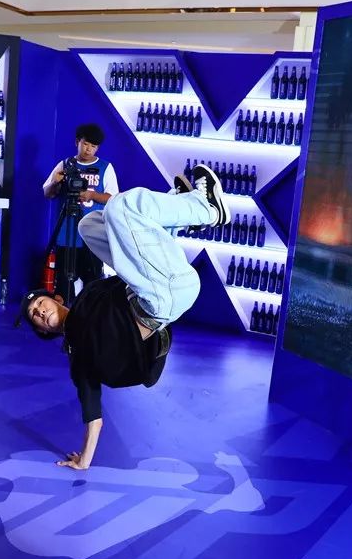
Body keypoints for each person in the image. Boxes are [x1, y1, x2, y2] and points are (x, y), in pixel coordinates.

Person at [21, 163, 228, 470]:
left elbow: (134, 265)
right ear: (44, 331)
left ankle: (177, 215)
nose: (39, 311)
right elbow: (93, 415)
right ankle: (205, 209)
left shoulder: (92, 294)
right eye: (35, 316)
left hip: (160, 285)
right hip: (159, 303)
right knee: (121, 206)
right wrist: (84, 461)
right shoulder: (78, 357)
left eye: (39, 304)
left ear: (57, 298)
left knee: (89, 224)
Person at [42, 123, 118, 300]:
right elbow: (47, 193)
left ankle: (89, 315)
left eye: (93, 146)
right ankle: (62, 313)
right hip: (66, 232)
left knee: (93, 282)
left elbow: (113, 198)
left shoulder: (105, 167)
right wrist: (55, 182)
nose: (88, 149)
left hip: (93, 235)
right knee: (63, 283)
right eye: (85, 144)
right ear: (77, 142)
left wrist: (91, 195)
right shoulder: (65, 164)